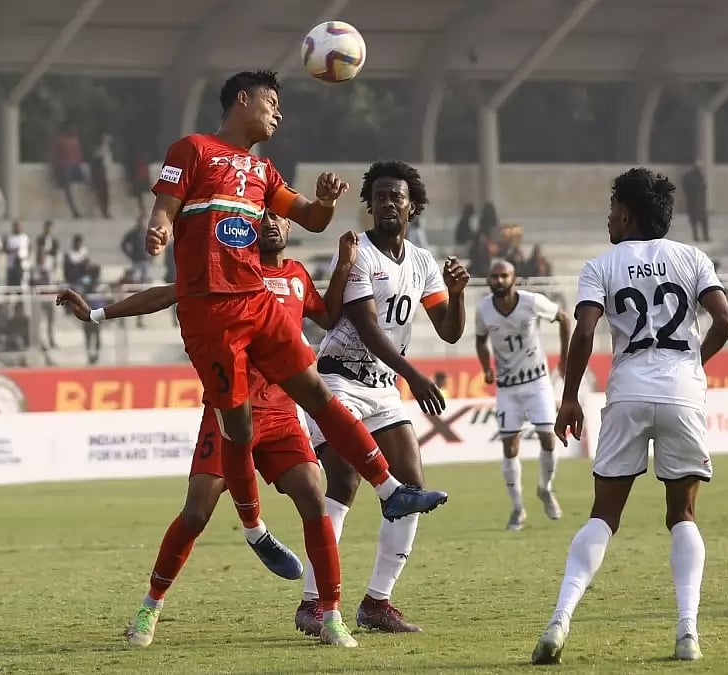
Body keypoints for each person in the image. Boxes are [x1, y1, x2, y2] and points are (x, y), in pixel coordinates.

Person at [143, 71, 449, 573]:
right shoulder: (192, 149)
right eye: (271, 102)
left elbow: (309, 217)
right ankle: (254, 529)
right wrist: (158, 229)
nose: (278, 113)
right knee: (234, 436)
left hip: (253, 305)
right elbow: (165, 207)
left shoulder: (264, 174)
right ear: (242, 99)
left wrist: (325, 200)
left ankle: (389, 492)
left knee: (316, 392)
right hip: (212, 315)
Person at [58, 214, 362, 648]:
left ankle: (330, 613)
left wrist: (344, 263)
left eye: (280, 217)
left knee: (314, 495)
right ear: (249, 230)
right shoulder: (232, 274)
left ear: (292, 229)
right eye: (264, 217)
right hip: (228, 409)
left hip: (278, 412)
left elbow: (330, 315)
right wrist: (96, 314)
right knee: (197, 512)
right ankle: (150, 607)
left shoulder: (296, 276)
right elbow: (165, 295)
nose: (273, 223)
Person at [529, 168, 728, 664]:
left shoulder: (600, 266)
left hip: (627, 393)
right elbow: (725, 321)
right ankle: (687, 633)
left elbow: (583, 334)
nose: (607, 218)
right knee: (682, 515)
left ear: (625, 213)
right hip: (683, 394)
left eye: (611, 209)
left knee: (604, 515)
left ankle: (560, 620)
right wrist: (692, 364)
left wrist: (570, 397)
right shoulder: (692, 257)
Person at [294, 160, 470, 637]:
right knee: (343, 481)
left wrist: (457, 295)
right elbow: (367, 327)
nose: (389, 203)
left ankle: (377, 603)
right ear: (369, 205)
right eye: (381, 196)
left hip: (381, 386)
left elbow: (451, 332)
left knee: (411, 486)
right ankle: (314, 602)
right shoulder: (358, 254)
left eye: (398, 196)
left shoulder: (423, 262)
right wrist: (413, 375)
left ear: (413, 205)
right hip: (337, 379)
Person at [474, 259, 569, 531]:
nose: (499, 281)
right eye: (494, 276)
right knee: (509, 446)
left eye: (504, 276)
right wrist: (485, 367)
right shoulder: (483, 309)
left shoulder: (531, 301)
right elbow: (480, 340)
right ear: (489, 279)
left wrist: (564, 358)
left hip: (537, 381)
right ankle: (518, 509)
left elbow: (563, 317)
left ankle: (545, 488)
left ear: (514, 279)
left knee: (548, 437)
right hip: (507, 387)